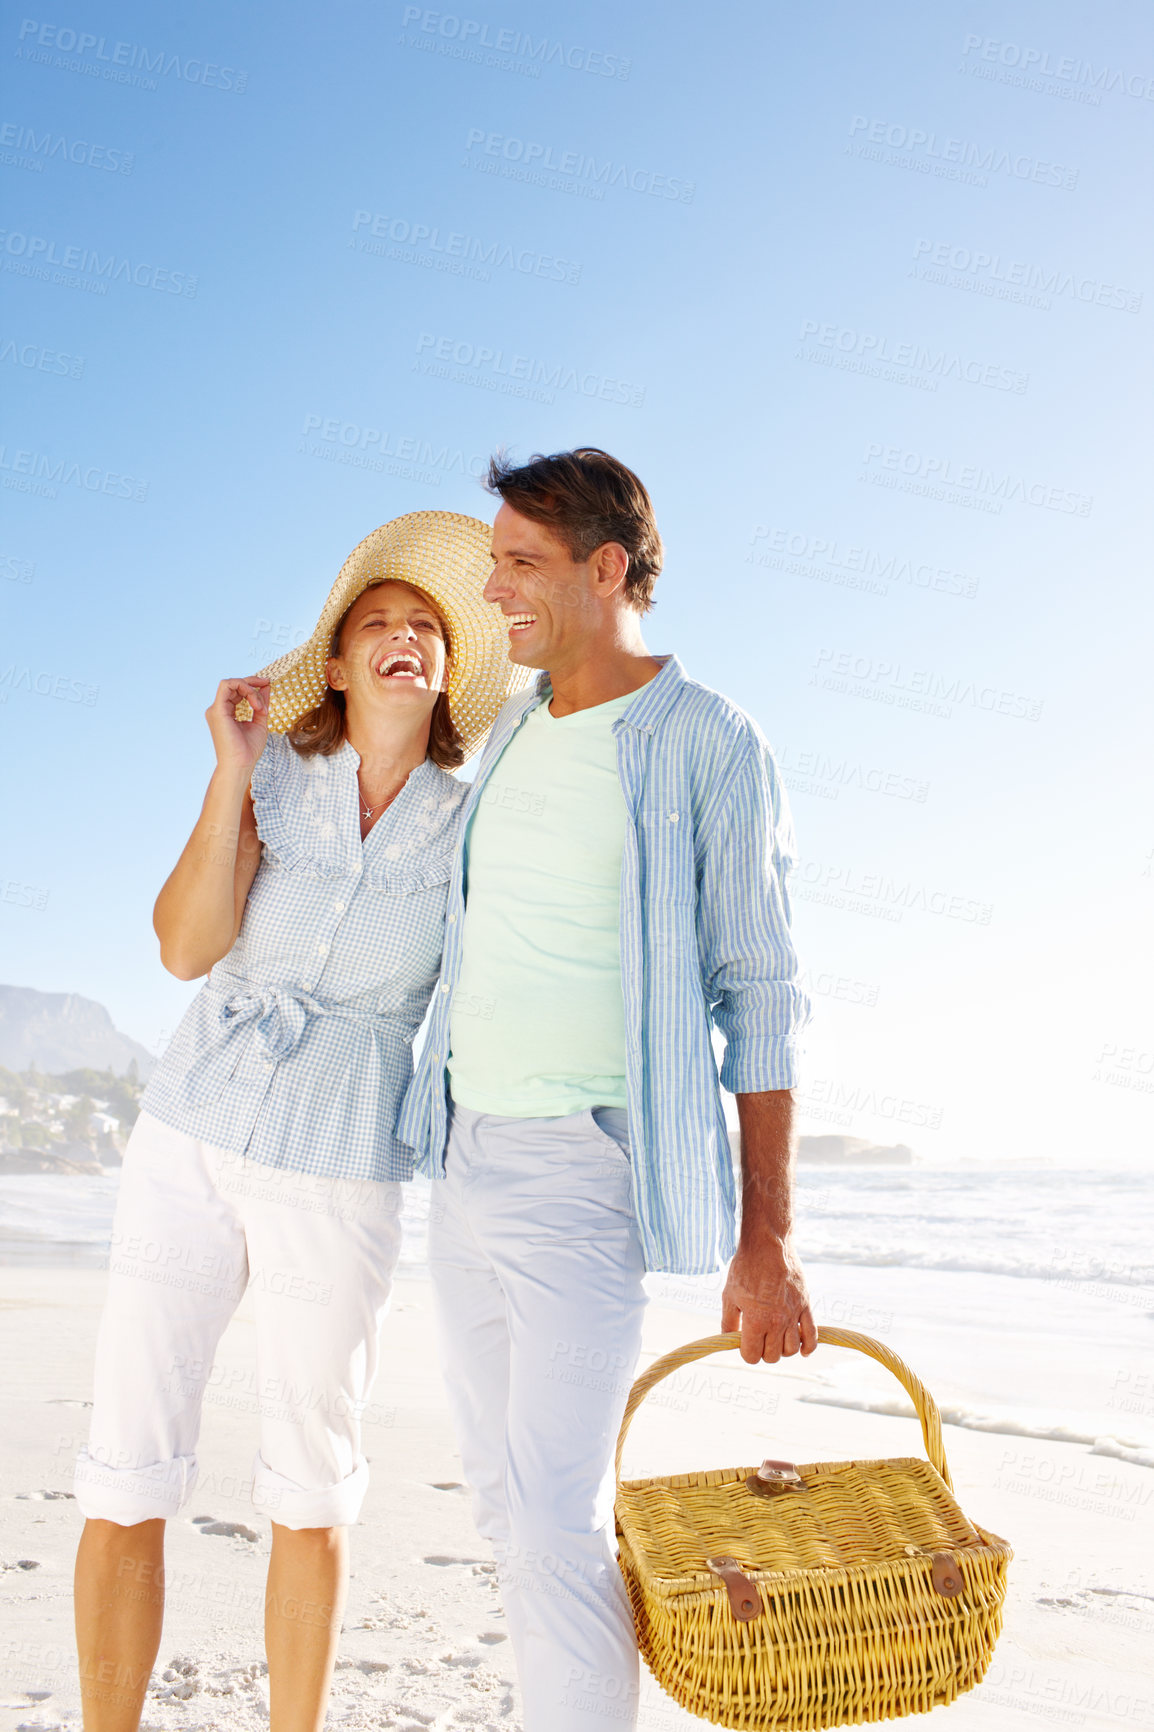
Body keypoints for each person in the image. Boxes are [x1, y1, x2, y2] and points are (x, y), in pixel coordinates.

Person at [72, 512, 531, 1732]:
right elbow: (184, 948)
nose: (402, 636)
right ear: (332, 663)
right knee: (128, 1462)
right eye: (376, 621)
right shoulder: (272, 776)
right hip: (189, 1136)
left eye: (426, 627)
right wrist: (230, 771)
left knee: (311, 1484)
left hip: (340, 1164)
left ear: (446, 673)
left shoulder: (476, 818)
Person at [398, 449, 815, 1732]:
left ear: (607, 568)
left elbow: (760, 988)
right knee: (502, 1502)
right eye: (488, 564)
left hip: (586, 1163)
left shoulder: (704, 740)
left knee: (551, 1515)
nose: (493, 591)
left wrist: (769, 1238)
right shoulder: (512, 728)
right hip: (464, 1152)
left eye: (519, 563)